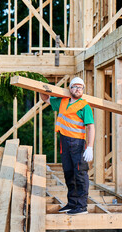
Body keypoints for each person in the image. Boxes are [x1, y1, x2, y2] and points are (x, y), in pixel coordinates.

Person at [40, 77, 95, 215]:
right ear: (70, 89)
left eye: (80, 87)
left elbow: (91, 127)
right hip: (64, 142)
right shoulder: (63, 102)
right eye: (75, 87)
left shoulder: (84, 106)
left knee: (80, 174)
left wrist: (90, 146)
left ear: (83, 90)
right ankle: (72, 203)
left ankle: (81, 206)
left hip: (77, 143)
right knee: (69, 173)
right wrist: (40, 87)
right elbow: (45, 98)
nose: (77, 89)